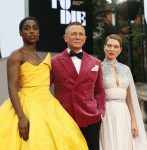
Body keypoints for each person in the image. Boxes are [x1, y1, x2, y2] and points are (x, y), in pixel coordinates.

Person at [0, 17, 88, 149]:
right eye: (27, 28)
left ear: (39, 33)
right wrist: (21, 117)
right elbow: (12, 87)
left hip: (49, 105)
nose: (32, 31)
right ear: (20, 33)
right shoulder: (17, 55)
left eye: (35, 28)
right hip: (27, 105)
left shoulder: (40, 57)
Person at [50, 21, 106, 150]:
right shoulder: (54, 62)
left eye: (81, 34)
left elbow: (99, 91)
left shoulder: (96, 62)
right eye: (73, 34)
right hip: (65, 118)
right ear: (65, 38)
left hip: (91, 119)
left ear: (85, 39)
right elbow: (44, 86)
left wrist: (101, 112)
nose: (77, 37)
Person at [99, 34, 147, 150]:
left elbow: (130, 99)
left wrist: (134, 121)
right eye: (109, 45)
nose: (112, 49)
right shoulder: (98, 67)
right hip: (106, 113)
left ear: (120, 50)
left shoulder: (126, 69)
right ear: (104, 47)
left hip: (124, 112)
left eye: (116, 47)